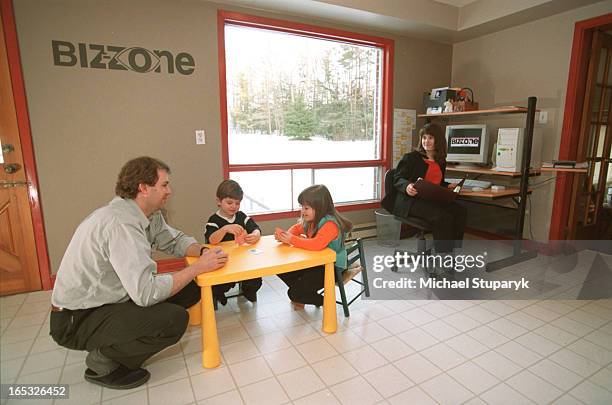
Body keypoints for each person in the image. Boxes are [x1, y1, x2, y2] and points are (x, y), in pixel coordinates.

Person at [50, 156, 228, 390]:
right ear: (143, 188)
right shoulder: (120, 224)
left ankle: (117, 346)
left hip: (112, 299)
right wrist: (197, 267)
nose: (170, 191)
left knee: (191, 287)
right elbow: (146, 293)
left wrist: (204, 251)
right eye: (164, 185)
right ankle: (102, 361)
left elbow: (174, 240)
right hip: (78, 318)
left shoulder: (147, 214)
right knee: (173, 320)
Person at [381, 123, 467, 264]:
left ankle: (451, 251)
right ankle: (444, 260)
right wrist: (407, 185)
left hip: (430, 199)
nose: (426, 141)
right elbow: (397, 178)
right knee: (443, 217)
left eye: (431, 138)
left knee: (460, 210)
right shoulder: (411, 158)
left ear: (438, 140)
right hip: (410, 201)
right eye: (424, 138)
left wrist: (448, 186)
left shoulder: (440, 161)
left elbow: (436, 182)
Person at [275, 184, 352, 308]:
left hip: (332, 267)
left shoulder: (330, 224)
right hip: (317, 263)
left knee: (293, 293)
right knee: (280, 268)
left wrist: (291, 239)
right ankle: (304, 292)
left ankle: (327, 302)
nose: (302, 211)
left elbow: (317, 244)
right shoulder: (311, 220)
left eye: (306, 208)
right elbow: (297, 227)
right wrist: (287, 235)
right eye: (302, 207)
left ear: (320, 208)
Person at [204, 179, 262, 304]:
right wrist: (225, 229)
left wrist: (255, 235)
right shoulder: (214, 220)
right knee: (222, 283)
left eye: (237, 203)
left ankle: (248, 291)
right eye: (229, 202)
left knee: (256, 278)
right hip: (224, 261)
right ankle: (219, 294)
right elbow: (211, 239)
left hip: (242, 259)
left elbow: (255, 228)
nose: (234, 206)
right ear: (219, 201)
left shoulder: (241, 216)